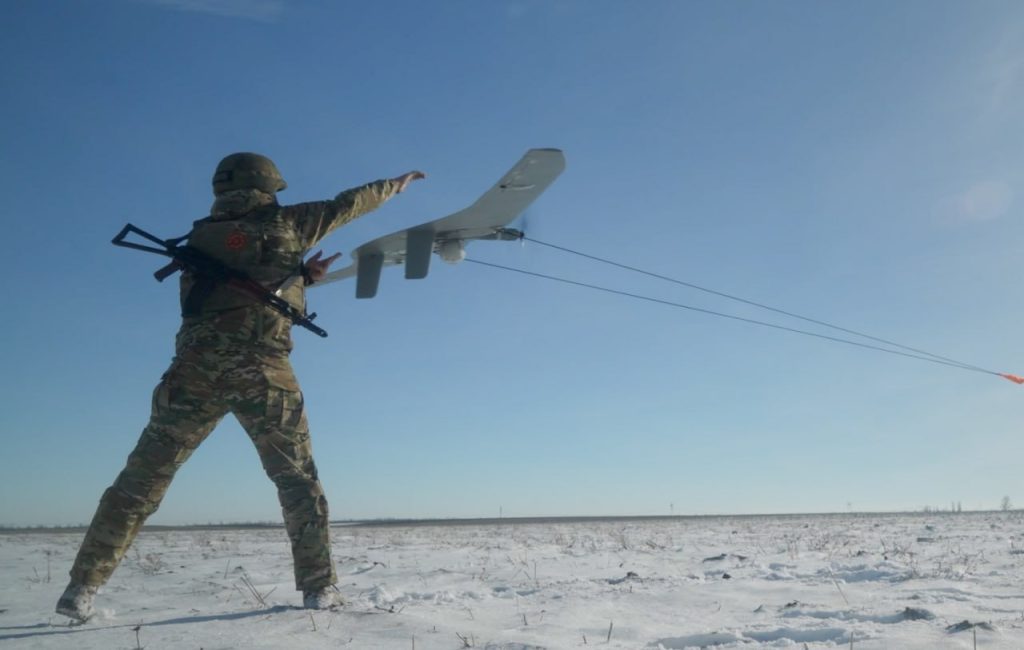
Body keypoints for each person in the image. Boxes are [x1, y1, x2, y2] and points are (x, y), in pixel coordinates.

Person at [56, 153, 425, 622]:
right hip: (264, 373)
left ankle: (82, 587)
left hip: (192, 374)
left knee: (141, 481)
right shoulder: (290, 223)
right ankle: (318, 588)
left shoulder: (199, 237)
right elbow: (349, 203)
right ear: (270, 186)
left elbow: (236, 284)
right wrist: (396, 183)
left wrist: (300, 277)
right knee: (296, 481)